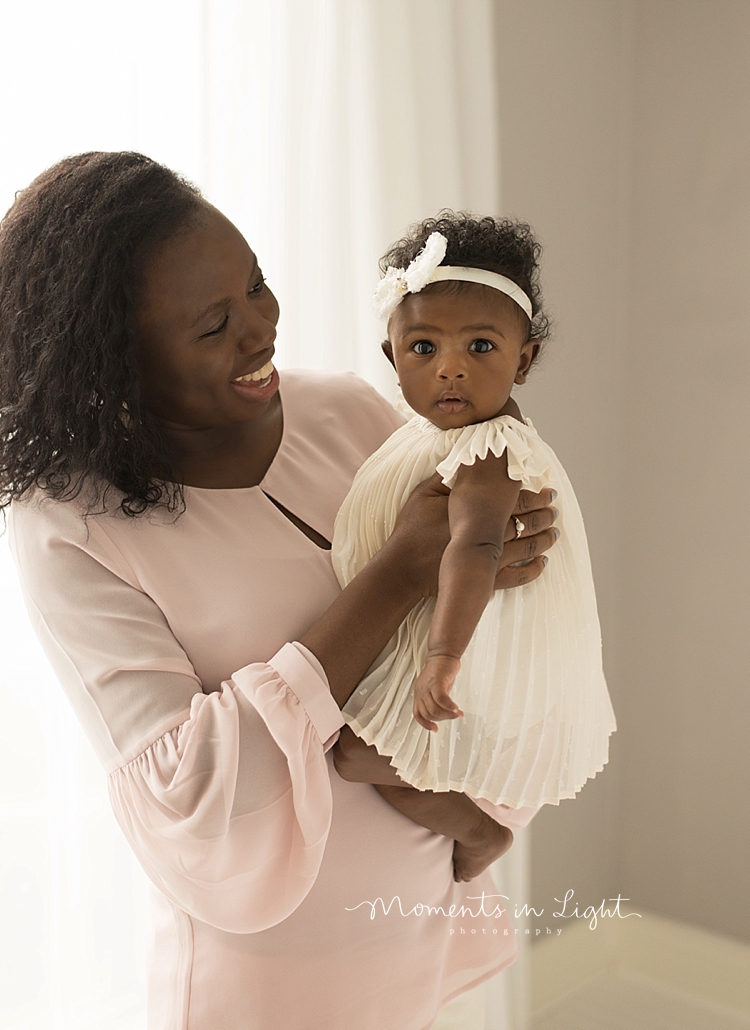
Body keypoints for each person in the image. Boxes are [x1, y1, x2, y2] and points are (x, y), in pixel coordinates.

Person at [0, 153, 558, 1030]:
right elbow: (197, 803)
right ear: (112, 364)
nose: (261, 329)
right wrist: (399, 573)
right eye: (214, 324)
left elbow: (503, 643)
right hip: (268, 988)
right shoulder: (73, 528)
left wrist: (477, 818)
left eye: (257, 285)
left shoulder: (350, 414)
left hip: (417, 922)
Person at [332, 215, 616, 875]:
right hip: (442, 629)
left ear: (525, 358)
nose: (450, 370)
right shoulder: (432, 436)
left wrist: (441, 660)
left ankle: (482, 835)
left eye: (480, 347)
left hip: (467, 647)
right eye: (424, 349)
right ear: (392, 357)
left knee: (352, 754)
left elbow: (477, 547)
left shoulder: (489, 453)